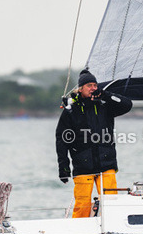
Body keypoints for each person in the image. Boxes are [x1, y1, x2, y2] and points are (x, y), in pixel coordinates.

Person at [55, 69, 132, 218]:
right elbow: (61, 140)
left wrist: (106, 95)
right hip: (83, 166)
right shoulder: (71, 110)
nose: (93, 88)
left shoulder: (105, 105)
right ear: (81, 88)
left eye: (95, 85)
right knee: (82, 206)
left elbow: (127, 104)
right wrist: (63, 167)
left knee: (111, 204)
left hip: (107, 164)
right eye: (89, 85)